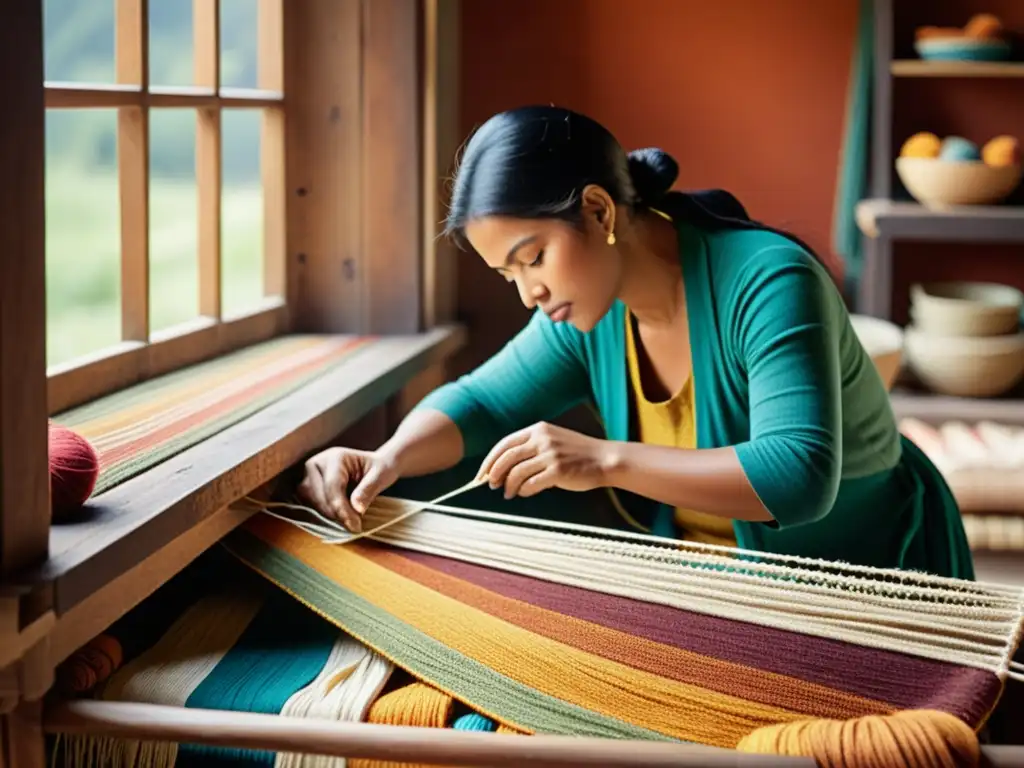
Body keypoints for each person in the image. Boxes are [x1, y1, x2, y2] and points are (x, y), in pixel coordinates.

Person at [298, 105, 974, 579]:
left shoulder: (768, 280)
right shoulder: (589, 313)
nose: (527, 292)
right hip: (722, 589)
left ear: (598, 210)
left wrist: (604, 460)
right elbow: (479, 403)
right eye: (509, 273)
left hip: (867, 574)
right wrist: (385, 458)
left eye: (533, 257)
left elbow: (796, 477)